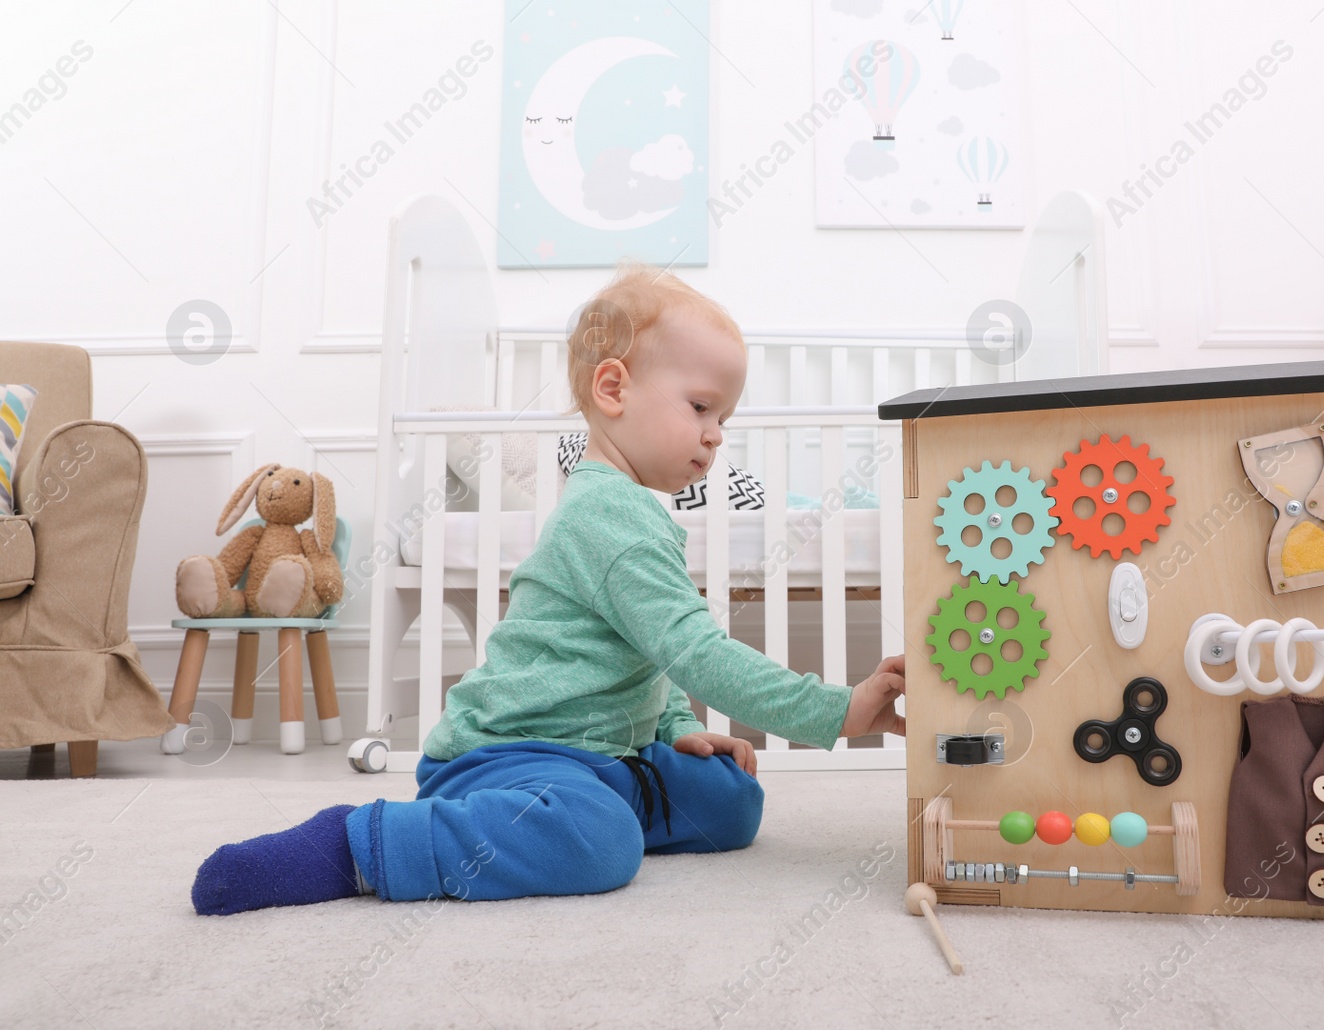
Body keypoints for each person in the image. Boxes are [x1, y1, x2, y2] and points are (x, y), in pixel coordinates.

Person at [190, 263, 907, 914]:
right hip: (507, 752)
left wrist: (670, 728)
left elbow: (646, 653)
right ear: (614, 388)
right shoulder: (608, 516)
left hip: (598, 750)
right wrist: (837, 710)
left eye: (724, 418)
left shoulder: (631, 509)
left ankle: (600, 797)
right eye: (700, 407)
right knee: (601, 845)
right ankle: (357, 841)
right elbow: (695, 650)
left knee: (730, 801)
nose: (716, 435)